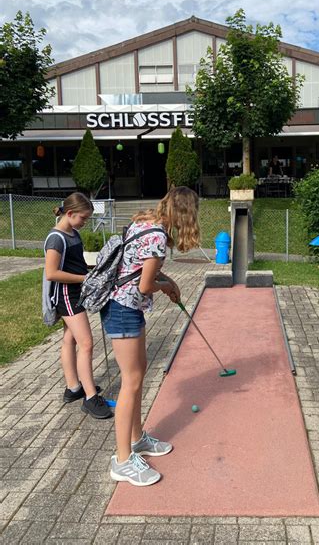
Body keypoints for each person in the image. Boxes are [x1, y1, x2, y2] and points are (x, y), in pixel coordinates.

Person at [102, 186, 201, 486]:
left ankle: (136, 439)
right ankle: (122, 461)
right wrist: (163, 286)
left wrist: (168, 281)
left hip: (125, 307)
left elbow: (139, 270)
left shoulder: (146, 221)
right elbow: (145, 285)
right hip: (123, 308)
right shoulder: (158, 236)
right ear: (185, 212)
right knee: (130, 383)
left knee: (138, 374)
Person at [44, 192, 113, 419]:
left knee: (69, 339)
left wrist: (90, 273)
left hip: (76, 292)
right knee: (86, 343)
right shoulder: (56, 238)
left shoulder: (72, 232)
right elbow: (52, 273)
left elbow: (76, 264)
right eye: (83, 218)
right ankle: (90, 397)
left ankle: (73, 387)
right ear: (70, 213)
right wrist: (84, 279)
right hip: (66, 295)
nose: (84, 223)